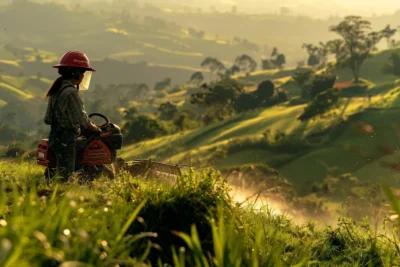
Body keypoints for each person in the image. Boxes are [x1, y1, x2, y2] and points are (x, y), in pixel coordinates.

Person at [44, 51, 101, 182]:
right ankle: (62, 196)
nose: (83, 76)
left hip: (54, 136)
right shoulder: (71, 93)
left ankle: (53, 193)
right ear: (75, 73)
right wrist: (95, 128)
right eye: (82, 72)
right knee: (66, 175)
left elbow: (48, 119)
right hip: (66, 138)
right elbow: (81, 119)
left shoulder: (56, 89)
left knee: (57, 171)